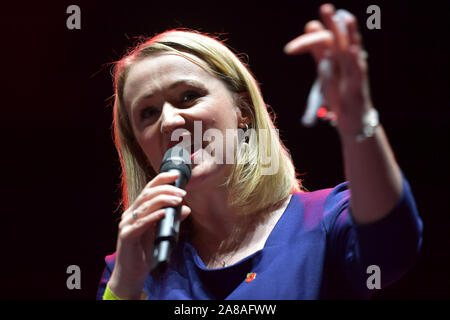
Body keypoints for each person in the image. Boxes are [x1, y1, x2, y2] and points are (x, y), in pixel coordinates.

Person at [97, 3, 423, 300]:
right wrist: (125, 285)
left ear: (244, 112)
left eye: (188, 96)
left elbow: (393, 247)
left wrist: (358, 120)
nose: (169, 121)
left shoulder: (323, 221)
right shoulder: (129, 268)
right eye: (148, 113)